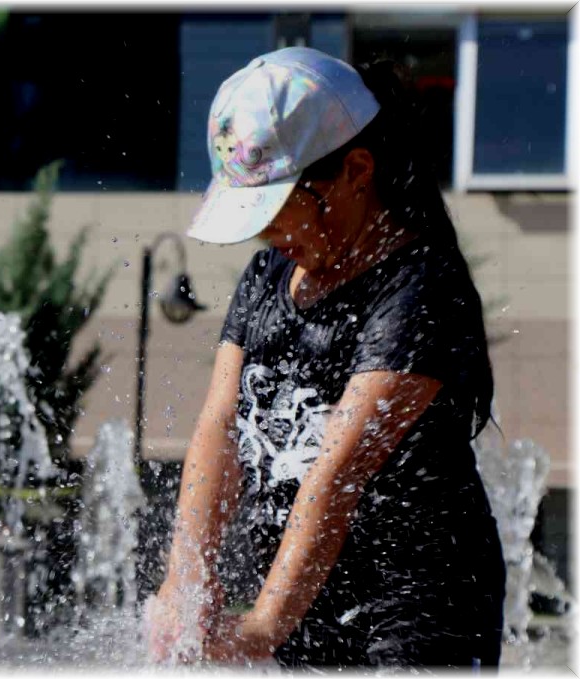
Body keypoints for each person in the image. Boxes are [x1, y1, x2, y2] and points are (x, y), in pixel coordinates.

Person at [145, 47, 505, 669]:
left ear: (356, 171)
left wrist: (261, 627)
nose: (264, 234)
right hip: (305, 602)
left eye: (275, 210)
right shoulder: (267, 276)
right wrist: (186, 579)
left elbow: (341, 470)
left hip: (416, 610)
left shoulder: (418, 286)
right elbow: (220, 428)